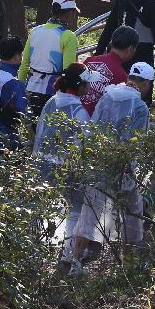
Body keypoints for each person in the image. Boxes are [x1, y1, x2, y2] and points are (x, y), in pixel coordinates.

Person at [74, 61, 154, 252]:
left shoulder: (108, 96)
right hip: (124, 170)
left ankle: (74, 261)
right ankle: (128, 263)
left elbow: (94, 128)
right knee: (132, 216)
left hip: (99, 164)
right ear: (146, 83)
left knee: (89, 216)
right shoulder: (140, 106)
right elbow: (137, 143)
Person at [33, 64, 94, 271]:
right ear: (81, 85)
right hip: (66, 169)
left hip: (42, 164)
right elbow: (84, 145)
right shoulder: (79, 111)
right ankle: (68, 256)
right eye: (87, 84)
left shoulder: (51, 102)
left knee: (40, 210)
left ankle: (34, 253)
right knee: (75, 209)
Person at [21, 0, 81, 112]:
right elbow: (68, 72)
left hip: (30, 88)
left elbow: (24, 64)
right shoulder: (68, 36)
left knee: (32, 128)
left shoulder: (35, 31)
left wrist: (20, 89)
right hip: (51, 93)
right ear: (70, 13)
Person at [81, 25, 137, 116]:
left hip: (71, 116)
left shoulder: (90, 60)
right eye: (135, 49)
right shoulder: (122, 77)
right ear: (130, 49)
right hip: (94, 125)